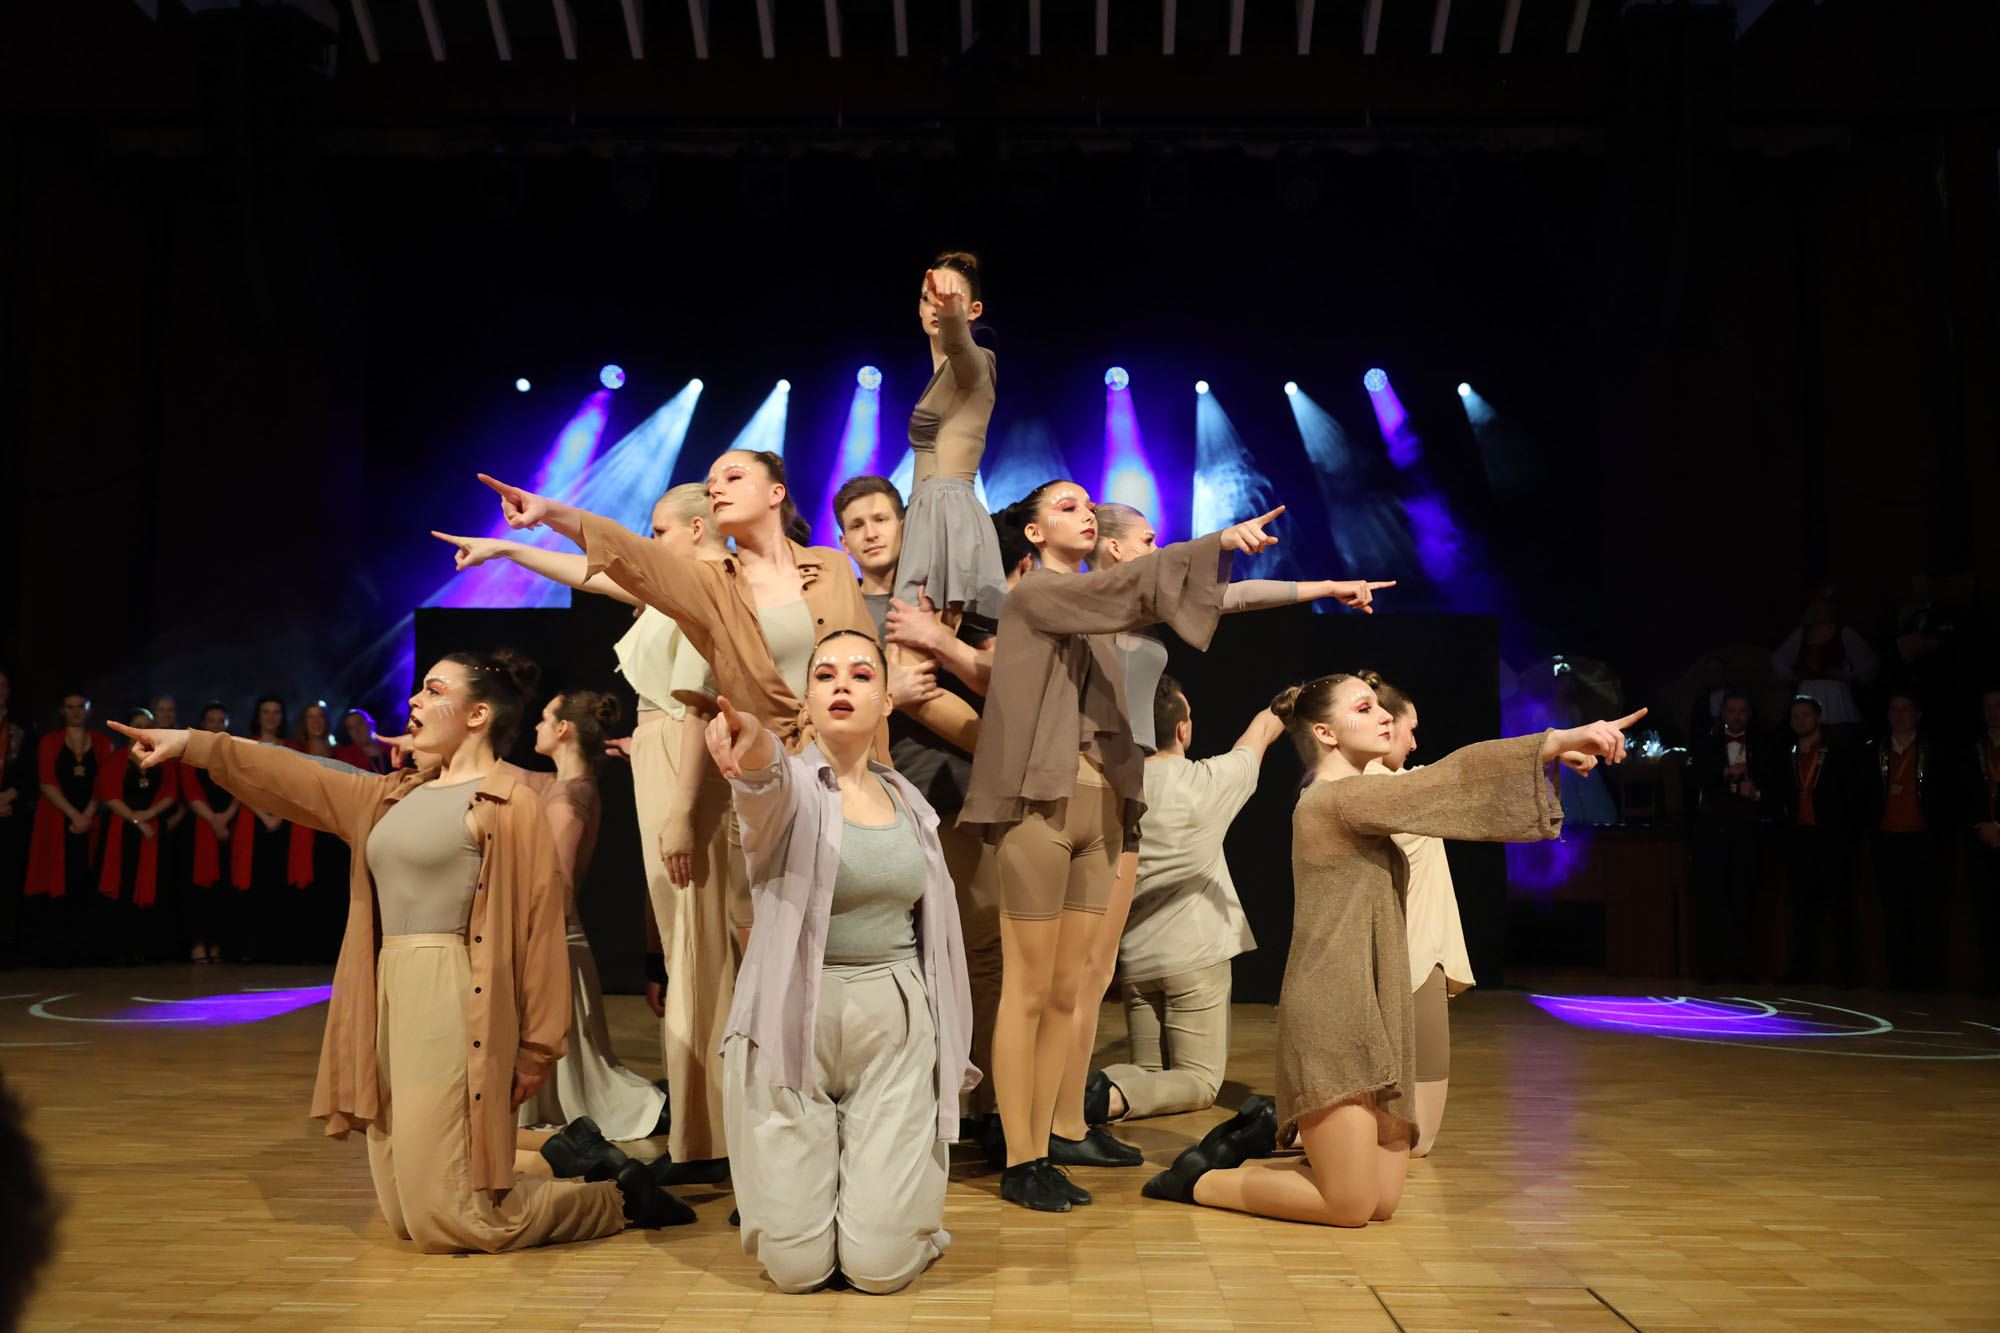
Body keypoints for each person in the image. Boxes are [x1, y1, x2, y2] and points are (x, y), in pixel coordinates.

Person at [109, 650, 691, 1252]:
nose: (414, 699)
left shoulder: (507, 803)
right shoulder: (389, 796)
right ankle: (572, 1157)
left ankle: (617, 1198)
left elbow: (539, 930)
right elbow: (295, 773)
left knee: (458, 1221)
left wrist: (537, 1047)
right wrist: (192, 744)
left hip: (455, 993)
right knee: (406, 1214)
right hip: (386, 992)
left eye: (434, 689)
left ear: (477, 714)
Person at [1143, 673, 1636, 1226]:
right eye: (1364, 708)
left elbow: (1441, 784)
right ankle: (1198, 1180)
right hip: (1334, 1012)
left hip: (1380, 1008)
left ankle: (1252, 1155)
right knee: (1350, 1206)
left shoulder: (1363, 797)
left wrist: (1545, 758)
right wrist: (1553, 740)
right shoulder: (1334, 799)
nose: (1382, 715)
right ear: (1326, 733)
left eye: (1380, 706)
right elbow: (1452, 779)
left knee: (1381, 1201)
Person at [963, 481, 1289, 1212]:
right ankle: (1020, 1156)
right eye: (1067, 506)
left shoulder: (1100, 613)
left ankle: (1051, 1139)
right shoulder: (1036, 594)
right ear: (1034, 533)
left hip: (1104, 808)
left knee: (1073, 985)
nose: (1084, 512)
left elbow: (1191, 598)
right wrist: (1215, 541)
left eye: (1088, 505)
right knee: (1029, 987)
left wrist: (1315, 587)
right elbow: (1125, 589)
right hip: (1043, 808)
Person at [1056, 501, 1390, 1165]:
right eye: (1149, 538)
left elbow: (1230, 597)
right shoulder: (1085, 605)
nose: (1160, 548)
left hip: (1127, 848)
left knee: (1138, 1050)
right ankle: (1075, 1099)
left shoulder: (1137, 607)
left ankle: (1079, 1097)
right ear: (1116, 549)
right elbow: (1259, 729)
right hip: (1100, 789)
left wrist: (1323, 586)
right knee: (1198, 1079)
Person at [437, 482, 747, 1179]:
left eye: (659, 530)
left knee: (697, 942)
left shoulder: (705, 583)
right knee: (687, 945)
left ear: (698, 528)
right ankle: (704, 1130)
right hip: (662, 747)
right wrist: (509, 549)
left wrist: (680, 806)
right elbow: (592, 571)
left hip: (684, 756)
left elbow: (698, 703)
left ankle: (715, 1137)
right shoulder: (672, 586)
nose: (649, 541)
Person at [705, 629, 976, 1294]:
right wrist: (749, 737)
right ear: (807, 700)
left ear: (887, 700)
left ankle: (900, 1224)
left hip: (894, 1018)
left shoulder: (909, 800)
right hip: (792, 1020)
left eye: (860, 674)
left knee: (878, 1270)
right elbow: (765, 774)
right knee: (796, 1271)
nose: (841, 685)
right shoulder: (791, 788)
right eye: (824, 675)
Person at [469, 455, 911, 763]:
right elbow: (628, 555)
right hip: (774, 772)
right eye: (712, 481)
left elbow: (867, 664)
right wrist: (548, 512)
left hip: (858, 764)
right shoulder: (711, 585)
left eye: (732, 477)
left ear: (776, 493)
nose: (715, 487)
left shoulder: (832, 566)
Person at [835, 474, 1002, 1133]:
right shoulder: (840, 610)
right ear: (842, 541)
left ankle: (993, 1108)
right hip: (876, 803)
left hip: (956, 794)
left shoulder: (942, 603)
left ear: (905, 526)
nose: (871, 532)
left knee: (982, 951)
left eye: (881, 518)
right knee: (891, 957)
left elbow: (994, 684)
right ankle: (896, 1106)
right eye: (857, 524)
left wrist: (938, 641)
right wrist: (889, 692)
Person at [1091, 676, 1282, 1128]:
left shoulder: (1111, 790)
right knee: (1199, 1081)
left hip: (1135, 961)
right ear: (1182, 729)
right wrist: (1293, 701)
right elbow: (1261, 731)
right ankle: (1092, 1100)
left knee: (1147, 1074)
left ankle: (1070, 1091)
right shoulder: (1206, 782)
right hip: (1195, 957)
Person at [514, 690, 672, 1142]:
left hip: (555, 939)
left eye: (544, 718)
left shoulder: (567, 799)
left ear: (563, 729)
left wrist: (534, 946)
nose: (537, 726)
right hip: (558, 938)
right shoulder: (567, 785)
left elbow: (558, 886)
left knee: (569, 1056)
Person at [1351, 672, 1476, 1158]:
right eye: (1411, 729)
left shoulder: (1352, 788)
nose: (1414, 742)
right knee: (1416, 1139)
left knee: (1388, 1126)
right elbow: (1476, 775)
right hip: (1415, 966)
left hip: (1384, 968)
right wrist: (1550, 755)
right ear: (1385, 726)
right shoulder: (1396, 791)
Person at [1690, 691, 1777, 984]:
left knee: (1745, 900)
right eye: (1732, 711)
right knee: (1711, 899)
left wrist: (1756, 793)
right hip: (1712, 829)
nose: (1737, 716)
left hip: (1748, 830)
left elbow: (1776, 789)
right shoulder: (1707, 744)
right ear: (1723, 713)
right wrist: (1725, 774)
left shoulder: (1763, 746)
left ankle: (1744, 970)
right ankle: (1710, 970)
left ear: (1750, 714)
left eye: (1742, 711)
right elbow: (1695, 778)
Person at [1778, 695, 1865, 985]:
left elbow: (1850, 797)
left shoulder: (1837, 753)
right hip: (1799, 839)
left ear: (1819, 718)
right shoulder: (1789, 754)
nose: (1800, 720)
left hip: (1831, 839)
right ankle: (1801, 970)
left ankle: (1846, 974)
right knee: (1802, 908)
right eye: (1795, 716)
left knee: (1839, 906)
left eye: (1806, 714)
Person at [24, 693, 114, 964]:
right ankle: (57, 952)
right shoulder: (50, 741)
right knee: (56, 878)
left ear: (89, 710)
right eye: (70, 707)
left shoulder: (103, 742)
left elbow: (104, 782)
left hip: (91, 819)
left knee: (86, 878)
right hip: (56, 817)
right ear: (62, 711)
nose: (76, 712)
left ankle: (85, 951)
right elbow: (47, 781)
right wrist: (74, 814)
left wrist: (87, 814)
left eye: (80, 707)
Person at [1870, 692, 1946, 990]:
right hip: (1887, 840)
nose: (1900, 715)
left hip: (1923, 840)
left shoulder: (1933, 750)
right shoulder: (1875, 750)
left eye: (1906, 709)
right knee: (1893, 911)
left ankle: (1926, 978)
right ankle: (1898, 977)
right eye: (1894, 709)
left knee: (1925, 910)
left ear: (1918, 714)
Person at [97, 706, 180, 962]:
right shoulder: (115, 760)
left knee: (155, 886)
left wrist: (148, 816)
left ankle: (147, 950)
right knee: (123, 884)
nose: (143, 730)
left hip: (153, 829)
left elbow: (170, 793)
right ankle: (120, 951)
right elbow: (110, 795)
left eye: (147, 726)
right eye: (138, 725)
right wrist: (136, 819)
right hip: (122, 830)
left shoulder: (162, 760)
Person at [229, 694, 296, 962]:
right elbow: (239, 785)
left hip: (285, 821)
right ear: (258, 716)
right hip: (254, 821)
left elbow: (296, 785)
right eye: (266, 712)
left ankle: (277, 949)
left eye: (276, 712)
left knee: (280, 885)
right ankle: (253, 948)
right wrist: (265, 816)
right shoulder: (246, 745)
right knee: (255, 885)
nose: (271, 717)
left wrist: (279, 815)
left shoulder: (292, 747)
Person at [1772, 588, 1879, 743]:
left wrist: (1847, 675)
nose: (1818, 609)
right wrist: (1794, 677)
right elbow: (1779, 659)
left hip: (1834, 693)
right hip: (1808, 691)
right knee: (1807, 738)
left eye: (1822, 605)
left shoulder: (1843, 632)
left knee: (1836, 737)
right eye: (1815, 605)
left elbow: (1868, 660)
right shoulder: (1801, 634)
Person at [178, 702, 239, 962]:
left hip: (229, 826)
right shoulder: (191, 754)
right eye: (211, 720)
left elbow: (239, 788)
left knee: (223, 888)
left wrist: (224, 818)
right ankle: (198, 942)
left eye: (221, 721)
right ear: (202, 724)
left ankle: (217, 941)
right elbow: (191, 790)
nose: (216, 725)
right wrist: (214, 819)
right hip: (199, 827)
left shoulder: (233, 754)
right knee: (198, 889)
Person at [291, 702, 349, 962]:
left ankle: (333, 950)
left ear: (326, 721)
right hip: (305, 826)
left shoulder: (339, 753)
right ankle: (309, 949)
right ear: (304, 722)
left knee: (334, 887)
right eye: (310, 717)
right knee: (307, 888)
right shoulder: (295, 751)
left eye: (320, 717)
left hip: (335, 828)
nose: (315, 722)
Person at [1965, 686, 2000, 994]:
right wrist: (1984, 827)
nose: (1993, 712)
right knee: (1985, 912)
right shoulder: (1974, 748)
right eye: (1988, 706)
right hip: (1981, 839)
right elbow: (1963, 793)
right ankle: (1991, 978)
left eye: (1998, 705)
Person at [0, 672, 35, 965]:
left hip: (11, 810)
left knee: (8, 881)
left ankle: (7, 949)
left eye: (2, 685)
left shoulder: (21, 727)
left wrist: (11, 795)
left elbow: (31, 771)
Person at [336, 709, 395, 774]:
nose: (356, 730)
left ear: (371, 724)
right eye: (351, 728)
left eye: (359, 724)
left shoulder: (392, 749)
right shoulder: (346, 758)